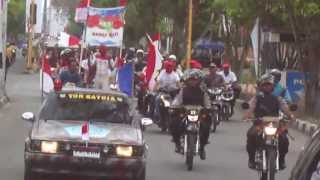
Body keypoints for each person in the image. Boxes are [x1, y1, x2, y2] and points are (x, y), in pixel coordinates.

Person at [244, 73, 295, 170]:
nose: (267, 87)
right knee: (250, 134)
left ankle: (281, 160)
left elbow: (285, 108)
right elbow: (251, 107)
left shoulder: (277, 99)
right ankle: (251, 159)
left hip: (275, 124)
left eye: (269, 85)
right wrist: (247, 115)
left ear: (272, 87)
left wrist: (291, 115)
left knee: (284, 139)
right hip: (259, 124)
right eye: (265, 85)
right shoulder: (257, 98)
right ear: (261, 86)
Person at [171, 69, 211, 160]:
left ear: (199, 81)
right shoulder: (183, 91)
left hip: (199, 113)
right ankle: (177, 143)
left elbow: (207, 102)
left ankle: (202, 147)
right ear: (187, 80)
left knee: (206, 126)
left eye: (195, 80)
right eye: (191, 79)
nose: (193, 81)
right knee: (174, 123)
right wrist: (174, 106)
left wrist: (208, 108)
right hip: (185, 113)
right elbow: (177, 101)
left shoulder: (202, 91)